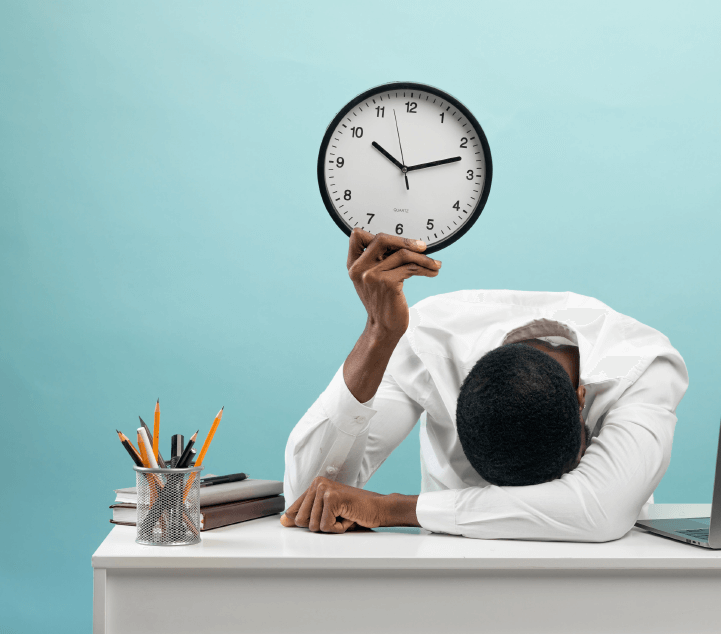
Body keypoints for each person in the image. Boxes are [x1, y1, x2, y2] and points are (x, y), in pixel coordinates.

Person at [281, 229, 688, 542]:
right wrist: (378, 337)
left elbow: (600, 510)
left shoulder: (641, 364)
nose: (524, 505)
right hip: (458, 573)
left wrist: (393, 509)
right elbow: (307, 498)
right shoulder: (428, 339)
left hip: (597, 572)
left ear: (581, 399)